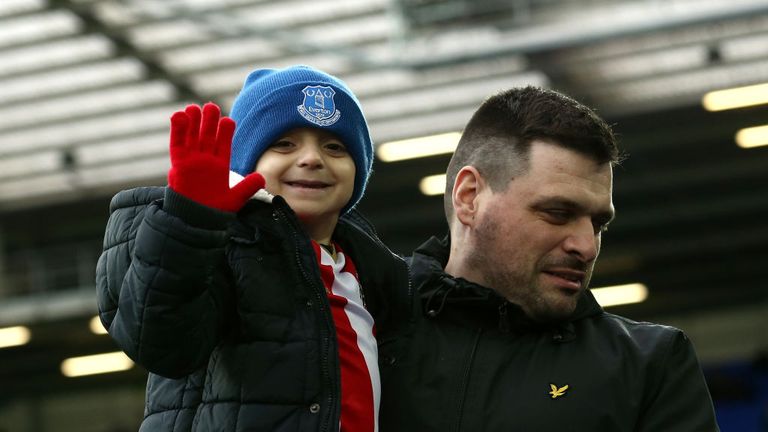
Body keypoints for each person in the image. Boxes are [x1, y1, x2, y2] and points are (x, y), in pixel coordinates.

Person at [378, 86, 720, 431]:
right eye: (558, 212)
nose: (587, 247)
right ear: (469, 197)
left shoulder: (649, 367)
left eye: (599, 224)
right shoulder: (361, 329)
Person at [95, 65, 410, 432]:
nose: (312, 158)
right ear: (244, 164)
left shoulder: (379, 277)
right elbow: (161, 342)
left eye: (336, 146)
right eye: (284, 144)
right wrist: (191, 222)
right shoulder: (222, 251)